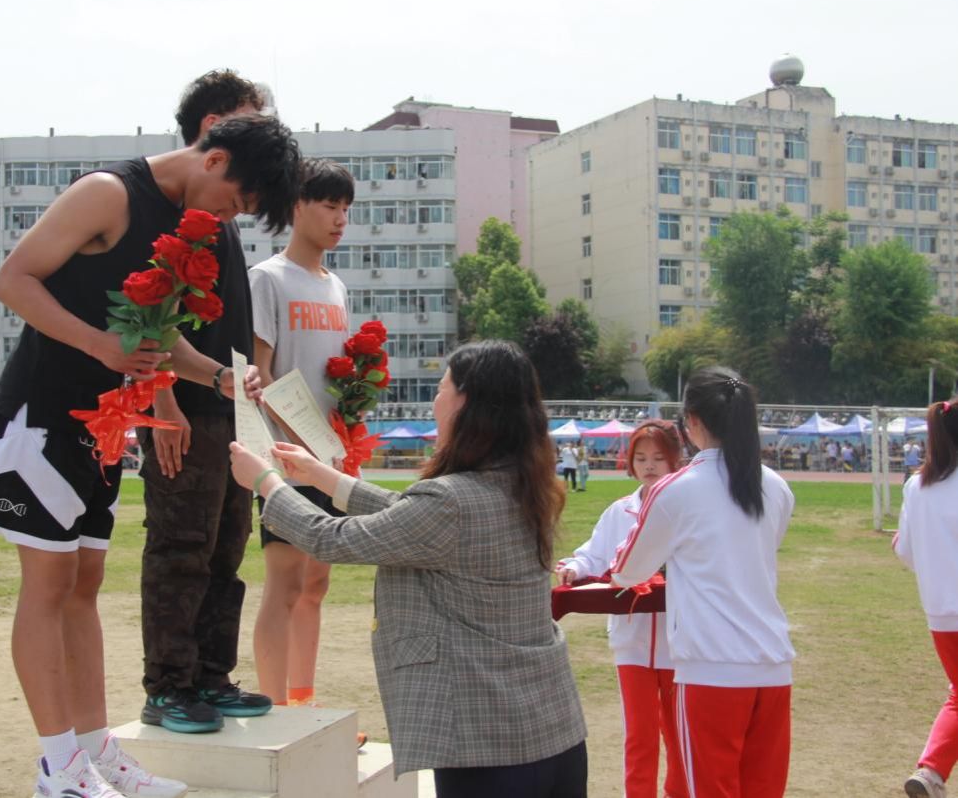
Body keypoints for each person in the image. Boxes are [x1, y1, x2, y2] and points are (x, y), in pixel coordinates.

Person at [0, 96, 299, 797]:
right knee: (48, 585)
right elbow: (13, 279)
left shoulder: (183, 223)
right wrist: (98, 345)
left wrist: (222, 377)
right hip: (42, 413)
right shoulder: (108, 193)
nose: (229, 218)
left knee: (84, 585)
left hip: (105, 423)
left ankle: (95, 751)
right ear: (213, 157)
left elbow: (157, 337)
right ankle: (58, 767)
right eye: (235, 202)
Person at [230, 340, 588, 797]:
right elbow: (407, 514)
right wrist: (322, 475)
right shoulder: (525, 485)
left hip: (486, 749)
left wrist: (266, 482)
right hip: (554, 734)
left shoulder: (451, 501)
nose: (435, 402)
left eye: (441, 389)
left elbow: (331, 538)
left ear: (467, 404)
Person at [137, 70, 285, 736]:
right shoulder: (166, 207)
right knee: (182, 547)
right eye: (253, 121)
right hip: (184, 410)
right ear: (214, 128)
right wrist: (163, 404)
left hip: (228, 408)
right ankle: (169, 684)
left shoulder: (218, 216)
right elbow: (147, 319)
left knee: (227, 546)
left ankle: (210, 676)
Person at [612, 367, 795, 798]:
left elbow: (628, 570)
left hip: (711, 668)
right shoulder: (776, 486)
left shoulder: (677, 489)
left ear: (691, 421)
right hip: (772, 665)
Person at [248, 158, 354, 710]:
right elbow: (260, 373)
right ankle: (273, 709)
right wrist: (302, 442)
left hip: (332, 458)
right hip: (288, 460)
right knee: (285, 584)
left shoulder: (337, 287)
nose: (340, 219)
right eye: (329, 205)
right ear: (296, 206)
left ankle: (303, 703)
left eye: (346, 209)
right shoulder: (267, 278)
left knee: (316, 585)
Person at [557, 421, 687, 798]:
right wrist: (575, 568)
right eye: (641, 458)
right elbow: (593, 554)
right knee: (639, 736)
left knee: (679, 737)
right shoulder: (620, 511)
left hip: (680, 643)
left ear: (675, 460)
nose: (649, 466)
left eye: (659, 458)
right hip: (631, 643)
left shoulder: (687, 511)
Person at [894, 397, 958, 798]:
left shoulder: (917, 486)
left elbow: (905, 551)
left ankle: (932, 771)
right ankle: (932, 771)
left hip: (940, 612)